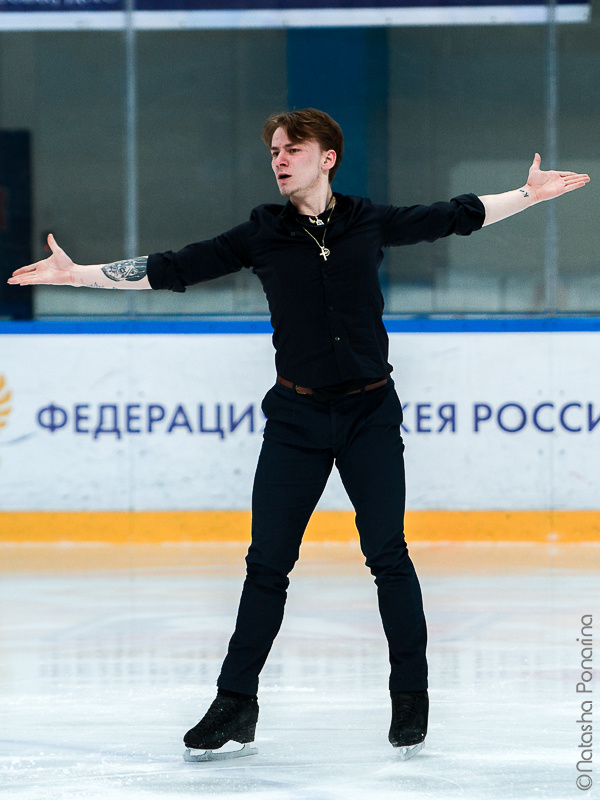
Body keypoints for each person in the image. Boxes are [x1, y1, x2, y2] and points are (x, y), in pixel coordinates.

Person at [8, 109, 589, 762]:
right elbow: (176, 267)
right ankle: (235, 703)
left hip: (370, 415)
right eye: (275, 151)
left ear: (328, 157)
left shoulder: (367, 221)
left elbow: (451, 215)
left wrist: (527, 195)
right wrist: (79, 274)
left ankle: (410, 695)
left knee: (387, 556)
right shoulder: (263, 233)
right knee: (267, 564)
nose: (280, 158)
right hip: (296, 419)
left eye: (293, 148)